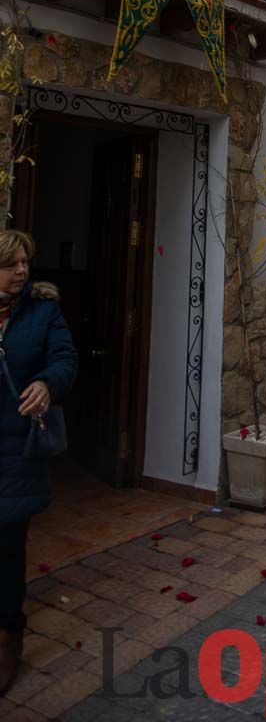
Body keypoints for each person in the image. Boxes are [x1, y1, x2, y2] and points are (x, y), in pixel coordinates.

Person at [0, 231, 78, 694]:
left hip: (17, 451)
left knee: (7, 547)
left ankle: (9, 637)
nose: (23, 271)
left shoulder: (43, 311)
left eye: (25, 262)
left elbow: (65, 359)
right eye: (11, 264)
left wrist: (48, 384)